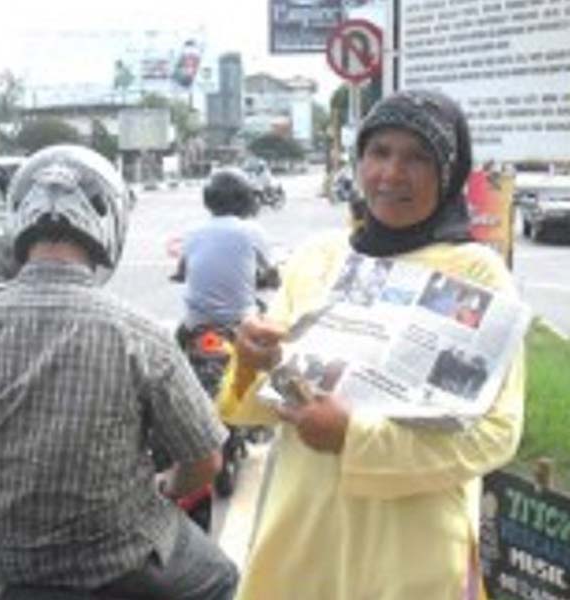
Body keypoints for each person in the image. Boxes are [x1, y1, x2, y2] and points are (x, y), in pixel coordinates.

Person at [0, 145, 238, 600]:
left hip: (7, 561)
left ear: (21, 223)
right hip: (117, 556)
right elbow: (205, 462)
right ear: (108, 226)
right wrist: (166, 485)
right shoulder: (141, 335)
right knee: (219, 578)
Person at [220, 89, 524, 600]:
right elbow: (261, 409)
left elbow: (495, 433)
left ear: (449, 172)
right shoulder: (319, 258)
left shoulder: (476, 273)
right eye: (379, 152)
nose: (391, 174)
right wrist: (251, 363)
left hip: (411, 553)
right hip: (302, 536)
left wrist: (354, 437)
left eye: (417, 157)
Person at [175, 166, 275, 334]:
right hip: (241, 320)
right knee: (270, 341)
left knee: (178, 343)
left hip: (197, 322)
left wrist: (180, 275)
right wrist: (274, 280)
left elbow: (181, 272)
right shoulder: (252, 230)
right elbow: (271, 272)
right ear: (244, 199)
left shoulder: (192, 231)